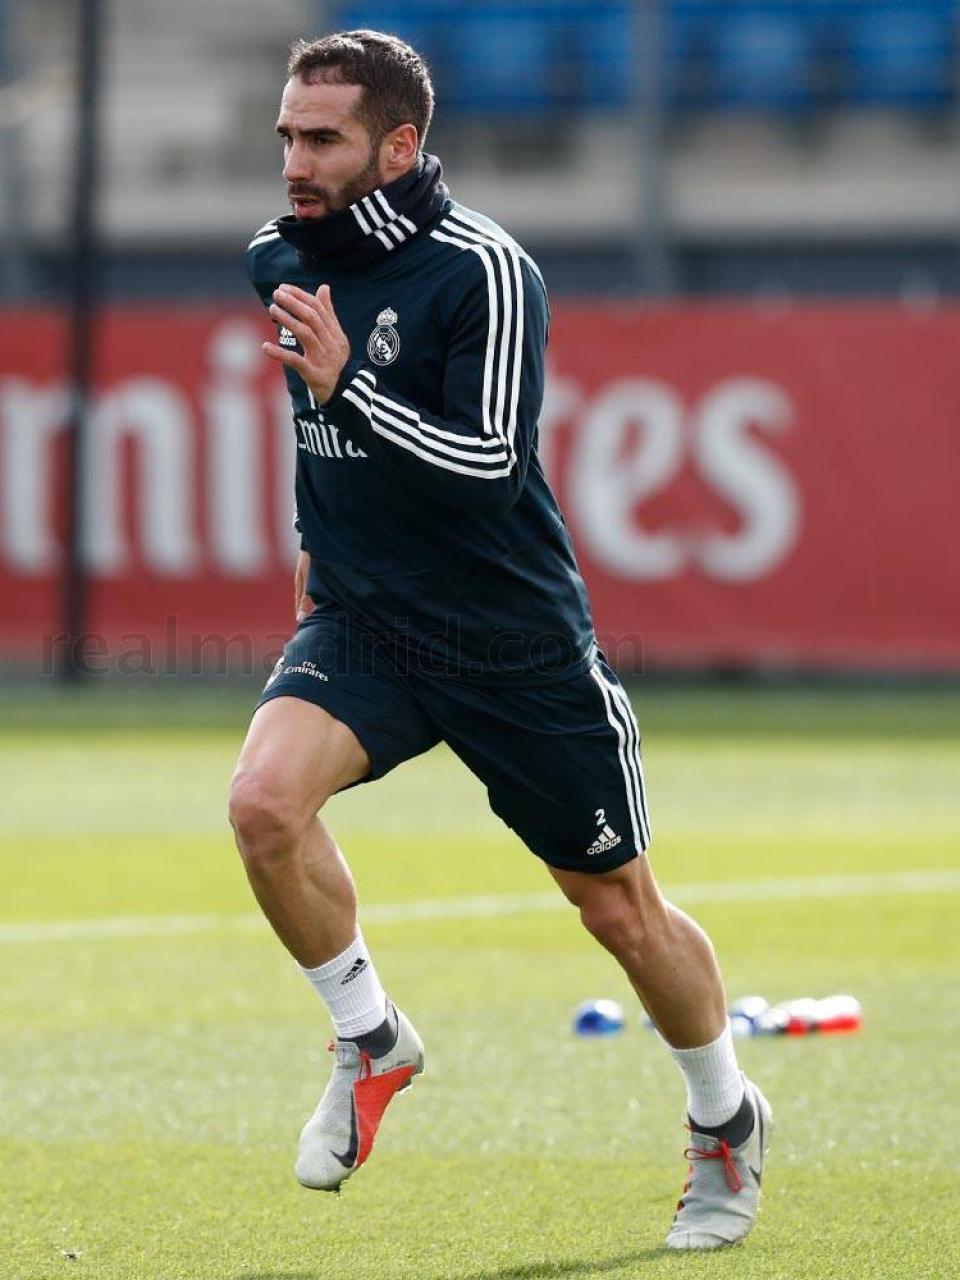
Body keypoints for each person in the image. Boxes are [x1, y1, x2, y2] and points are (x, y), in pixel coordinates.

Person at [230, 29, 771, 1250]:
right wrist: (315, 553)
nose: (293, 163)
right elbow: (312, 431)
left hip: (507, 640)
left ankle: (723, 1116)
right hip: (366, 621)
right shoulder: (276, 256)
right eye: (285, 137)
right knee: (263, 804)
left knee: (618, 909)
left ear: (398, 145)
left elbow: (485, 467)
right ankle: (370, 1039)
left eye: (320, 139)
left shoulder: (482, 268)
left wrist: (345, 391)